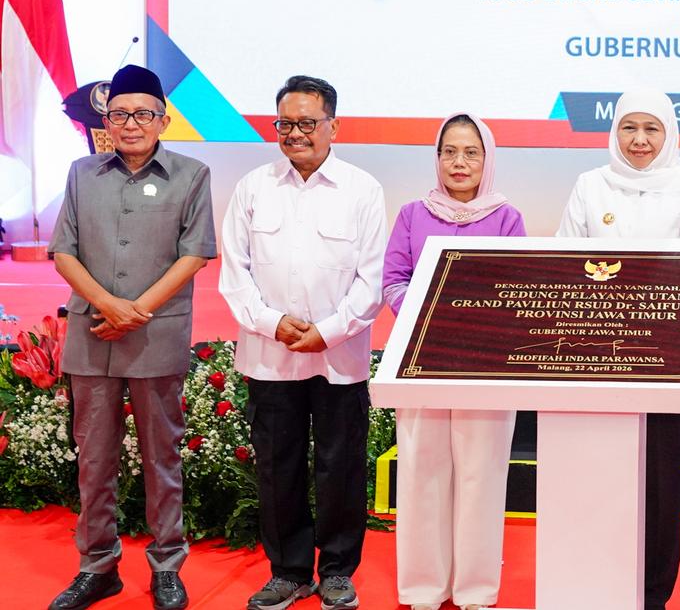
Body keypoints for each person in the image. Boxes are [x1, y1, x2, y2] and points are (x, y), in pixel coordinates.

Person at [47, 64, 217, 610]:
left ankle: (167, 564)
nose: (131, 123)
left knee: (161, 458)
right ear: (106, 122)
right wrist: (109, 305)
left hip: (154, 339)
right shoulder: (81, 174)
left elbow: (195, 254)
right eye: (119, 114)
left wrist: (136, 311)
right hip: (92, 335)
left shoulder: (191, 175)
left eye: (143, 113)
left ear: (163, 120)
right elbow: (63, 251)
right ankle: (97, 566)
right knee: (94, 460)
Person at [219, 75, 387, 610]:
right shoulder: (253, 187)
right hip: (270, 356)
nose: (295, 133)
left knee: (341, 465)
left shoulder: (362, 190)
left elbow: (372, 281)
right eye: (285, 123)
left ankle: (337, 570)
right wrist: (272, 323)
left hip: (339, 357)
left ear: (333, 126)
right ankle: (289, 572)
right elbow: (235, 273)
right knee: (278, 466)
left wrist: (327, 332)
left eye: (307, 123)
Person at [557, 90, 680, 610]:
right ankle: (592, 587)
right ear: (614, 132)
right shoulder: (590, 185)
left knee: (658, 485)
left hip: (666, 366)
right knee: (594, 477)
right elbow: (565, 266)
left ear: (669, 133)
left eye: (652, 128)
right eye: (629, 127)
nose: (640, 140)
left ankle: (652, 595)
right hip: (593, 359)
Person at [384, 114, 526, 610]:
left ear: (487, 159)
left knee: (481, 474)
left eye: (471, 152)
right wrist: (431, 316)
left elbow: (516, 286)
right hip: (420, 357)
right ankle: (424, 588)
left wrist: (472, 321)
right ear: (437, 157)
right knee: (421, 470)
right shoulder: (411, 214)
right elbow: (394, 280)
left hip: (485, 362)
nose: (459, 162)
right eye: (449, 152)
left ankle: (475, 590)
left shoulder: (506, 218)